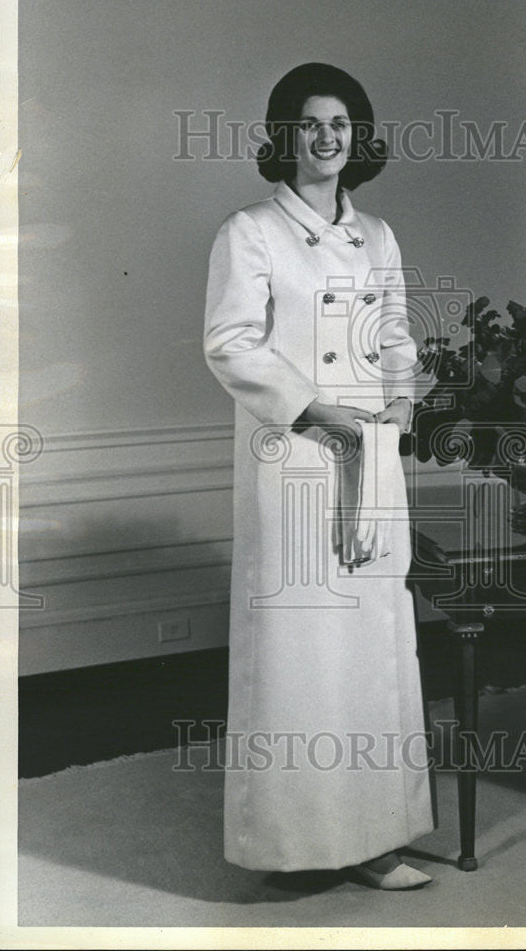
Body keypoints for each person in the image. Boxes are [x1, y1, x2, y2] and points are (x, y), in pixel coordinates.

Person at [203, 63, 434, 890]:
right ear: (284, 136)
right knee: (302, 650)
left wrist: (398, 412)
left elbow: (397, 336)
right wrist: (319, 415)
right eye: (310, 124)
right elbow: (230, 343)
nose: (327, 137)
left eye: (340, 123)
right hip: (295, 460)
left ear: (356, 137)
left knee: (372, 646)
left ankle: (377, 838)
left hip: (370, 462)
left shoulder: (376, 234)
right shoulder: (250, 231)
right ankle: (295, 847)